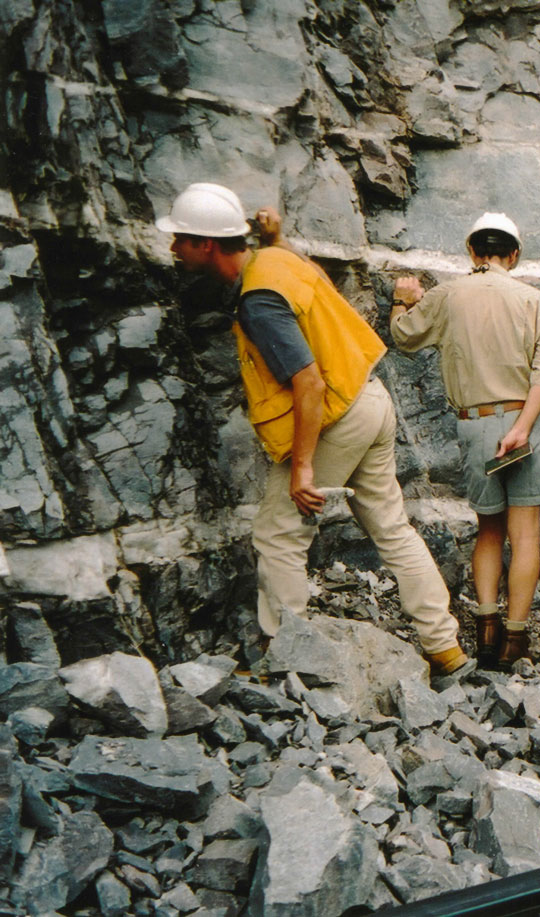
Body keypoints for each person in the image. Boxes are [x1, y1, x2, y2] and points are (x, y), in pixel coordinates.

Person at [158, 183, 467, 673]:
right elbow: (312, 278)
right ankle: (445, 648)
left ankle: (286, 660)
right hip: (370, 396)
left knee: (279, 533)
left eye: (180, 238)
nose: (174, 247)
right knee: (391, 528)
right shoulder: (276, 260)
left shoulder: (258, 301)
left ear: (207, 244)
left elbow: (308, 384)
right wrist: (276, 238)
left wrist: (302, 468)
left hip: (337, 414)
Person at [389, 212, 540, 669]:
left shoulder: (447, 295)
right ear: (514, 254)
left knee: (489, 529)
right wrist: (522, 427)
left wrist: (402, 300)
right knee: (525, 534)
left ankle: (485, 631)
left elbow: (403, 336)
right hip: (525, 423)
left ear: (471, 251)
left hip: (475, 423)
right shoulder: (532, 299)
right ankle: (515, 640)